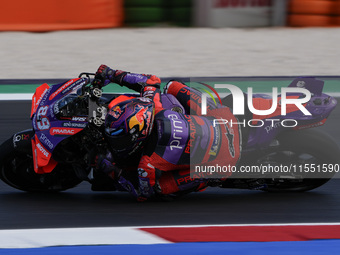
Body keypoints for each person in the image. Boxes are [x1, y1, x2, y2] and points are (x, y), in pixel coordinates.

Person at [94, 64, 241, 201]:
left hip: (222, 162)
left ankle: (209, 178)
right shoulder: (154, 107)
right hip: (224, 118)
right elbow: (152, 81)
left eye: (120, 138)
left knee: (159, 188)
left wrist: (111, 169)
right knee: (171, 86)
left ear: (137, 136)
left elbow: (143, 193)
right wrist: (114, 74)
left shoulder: (147, 164)